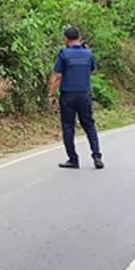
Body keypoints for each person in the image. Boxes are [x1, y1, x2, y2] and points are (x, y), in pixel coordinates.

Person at [48, 26, 103, 170]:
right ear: (79, 37)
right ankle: (97, 156)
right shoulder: (89, 54)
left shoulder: (64, 54)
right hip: (84, 94)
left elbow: (57, 76)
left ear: (65, 39)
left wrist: (51, 94)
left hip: (68, 95)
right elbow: (92, 70)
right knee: (89, 125)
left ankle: (73, 159)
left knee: (68, 127)